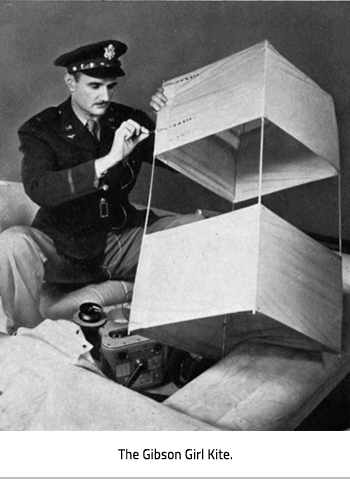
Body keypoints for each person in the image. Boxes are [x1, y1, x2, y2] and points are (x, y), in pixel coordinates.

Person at [0, 40, 202, 334]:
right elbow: (39, 187)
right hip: (64, 251)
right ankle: (28, 337)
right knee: (13, 243)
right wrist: (108, 160)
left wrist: (177, 113)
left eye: (111, 86)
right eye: (94, 86)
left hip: (120, 243)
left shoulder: (126, 119)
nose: (105, 96)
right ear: (71, 82)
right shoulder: (41, 129)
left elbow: (180, 160)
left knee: (199, 228)